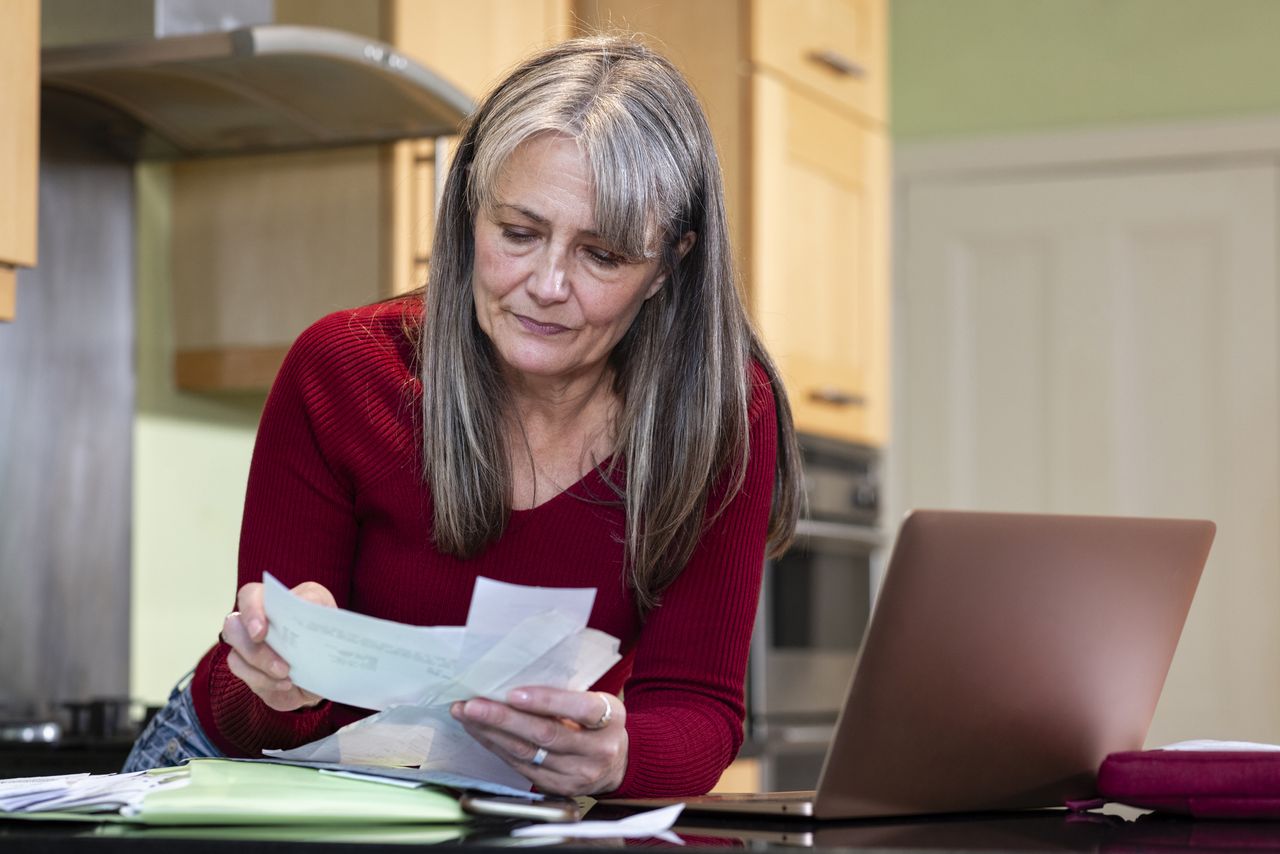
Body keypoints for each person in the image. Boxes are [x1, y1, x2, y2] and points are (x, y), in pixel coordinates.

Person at [123, 34, 802, 798]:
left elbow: (696, 708)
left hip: (488, 805)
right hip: (243, 780)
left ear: (668, 265)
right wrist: (274, 677)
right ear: (470, 208)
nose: (546, 284)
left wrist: (619, 755)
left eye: (601, 255)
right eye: (518, 233)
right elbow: (251, 717)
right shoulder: (343, 370)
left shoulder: (720, 416)